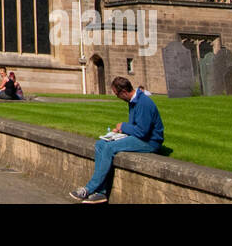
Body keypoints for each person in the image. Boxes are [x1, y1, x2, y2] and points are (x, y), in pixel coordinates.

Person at [70, 76, 164, 204]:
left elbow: (142, 132)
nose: (117, 97)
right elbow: (136, 126)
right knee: (100, 144)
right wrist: (121, 131)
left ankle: (89, 188)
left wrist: (123, 126)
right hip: (140, 137)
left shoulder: (143, 103)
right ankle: (101, 193)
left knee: (109, 148)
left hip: (150, 142)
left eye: (116, 94)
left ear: (124, 92)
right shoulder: (133, 101)